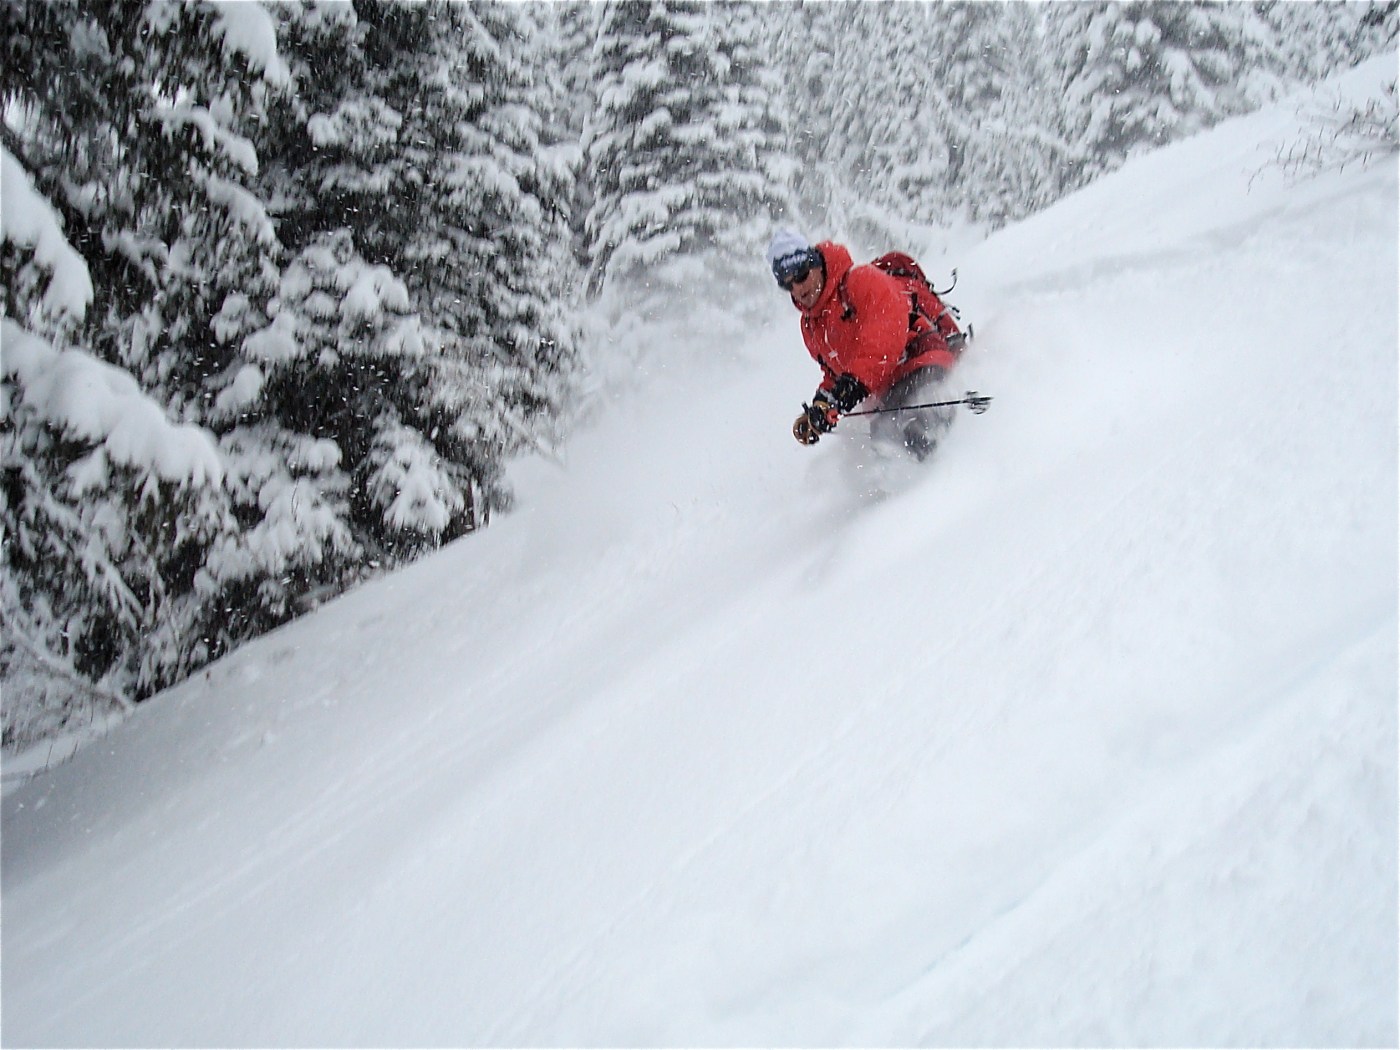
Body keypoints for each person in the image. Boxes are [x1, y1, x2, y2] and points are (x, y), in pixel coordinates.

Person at [767, 229, 963, 460]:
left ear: (816, 264)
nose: (798, 289)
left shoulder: (861, 281)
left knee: (914, 437)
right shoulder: (811, 326)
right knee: (885, 448)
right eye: (787, 284)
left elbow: (883, 341)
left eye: (801, 275)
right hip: (889, 394)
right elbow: (836, 373)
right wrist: (822, 404)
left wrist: (848, 391)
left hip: (920, 364)